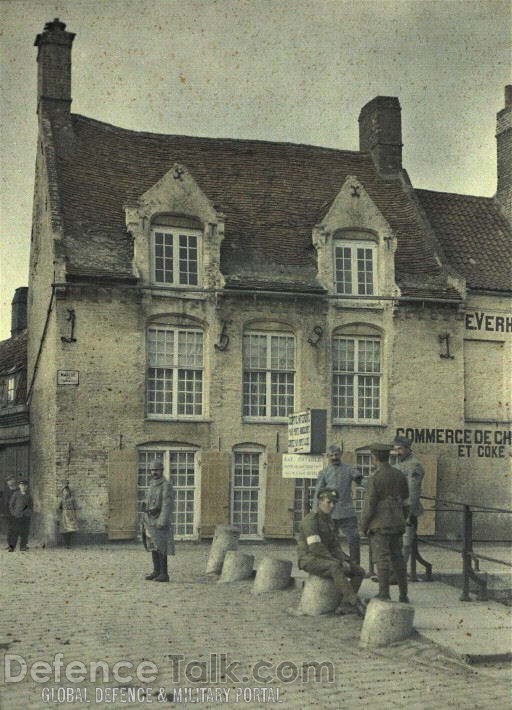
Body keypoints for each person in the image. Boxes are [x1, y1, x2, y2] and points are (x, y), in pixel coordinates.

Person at [298, 488, 365, 616]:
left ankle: (345, 605)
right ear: (320, 501)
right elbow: (315, 546)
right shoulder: (311, 520)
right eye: (329, 502)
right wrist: (337, 561)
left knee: (358, 571)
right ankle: (354, 602)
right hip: (309, 559)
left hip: (325, 558)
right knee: (335, 567)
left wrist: (345, 559)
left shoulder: (329, 521)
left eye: (334, 503)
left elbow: (335, 546)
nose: (332, 506)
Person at [360, 443, 409, 603]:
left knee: (382, 559)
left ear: (374, 457)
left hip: (380, 524)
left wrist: (363, 525)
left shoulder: (374, 478)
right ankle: (403, 595)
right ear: (388, 456)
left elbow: (370, 505)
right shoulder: (399, 474)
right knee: (398, 558)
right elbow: (405, 495)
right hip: (397, 522)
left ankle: (384, 593)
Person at [314, 443, 363, 565]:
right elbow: (318, 493)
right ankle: (335, 563)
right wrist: (317, 511)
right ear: (327, 457)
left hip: (347, 511)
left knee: (354, 539)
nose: (334, 457)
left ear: (341, 454)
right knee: (330, 540)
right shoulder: (324, 473)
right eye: (331, 455)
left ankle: (355, 565)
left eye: (336, 454)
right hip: (330, 513)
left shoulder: (349, 469)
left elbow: (361, 481)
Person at [391, 435, 425, 569]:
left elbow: (414, 490)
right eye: (396, 449)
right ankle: (392, 571)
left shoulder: (414, 465)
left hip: (407, 511)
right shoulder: (400, 464)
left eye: (400, 449)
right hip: (397, 509)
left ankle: (398, 574)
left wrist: (410, 513)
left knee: (405, 543)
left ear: (407, 448)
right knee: (395, 542)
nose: (397, 452)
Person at [142, 459, 174, 582]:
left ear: (162, 470)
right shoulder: (151, 484)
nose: (154, 472)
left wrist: (162, 520)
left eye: (157, 470)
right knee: (153, 546)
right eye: (152, 470)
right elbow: (147, 500)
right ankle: (156, 571)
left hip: (160, 520)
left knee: (162, 547)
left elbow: (167, 504)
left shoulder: (166, 485)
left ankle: (164, 573)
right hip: (150, 520)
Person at [9, 479, 33, 551]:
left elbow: (31, 506)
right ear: (19, 486)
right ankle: (12, 547)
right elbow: (11, 505)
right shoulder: (16, 494)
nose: (23, 487)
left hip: (26, 517)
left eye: (25, 486)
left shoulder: (29, 496)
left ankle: (23, 546)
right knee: (15, 532)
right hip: (17, 516)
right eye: (22, 485)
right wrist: (14, 513)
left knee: (25, 532)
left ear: (27, 487)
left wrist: (29, 513)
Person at [57, 481, 79, 548]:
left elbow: (75, 507)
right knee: (64, 530)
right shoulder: (62, 500)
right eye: (64, 492)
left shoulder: (72, 499)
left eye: (67, 492)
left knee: (70, 529)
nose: (65, 493)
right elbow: (59, 508)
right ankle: (67, 543)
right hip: (64, 515)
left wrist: (75, 515)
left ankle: (69, 543)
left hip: (71, 515)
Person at [3, 476, 19, 551]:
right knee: (9, 529)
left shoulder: (18, 491)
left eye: (11, 480)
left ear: (14, 481)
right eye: (8, 480)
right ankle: (10, 544)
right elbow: (3, 502)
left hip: (16, 513)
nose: (10, 482)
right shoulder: (6, 491)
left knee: (15, 529)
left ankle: (13, 546)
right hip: (7, 513)